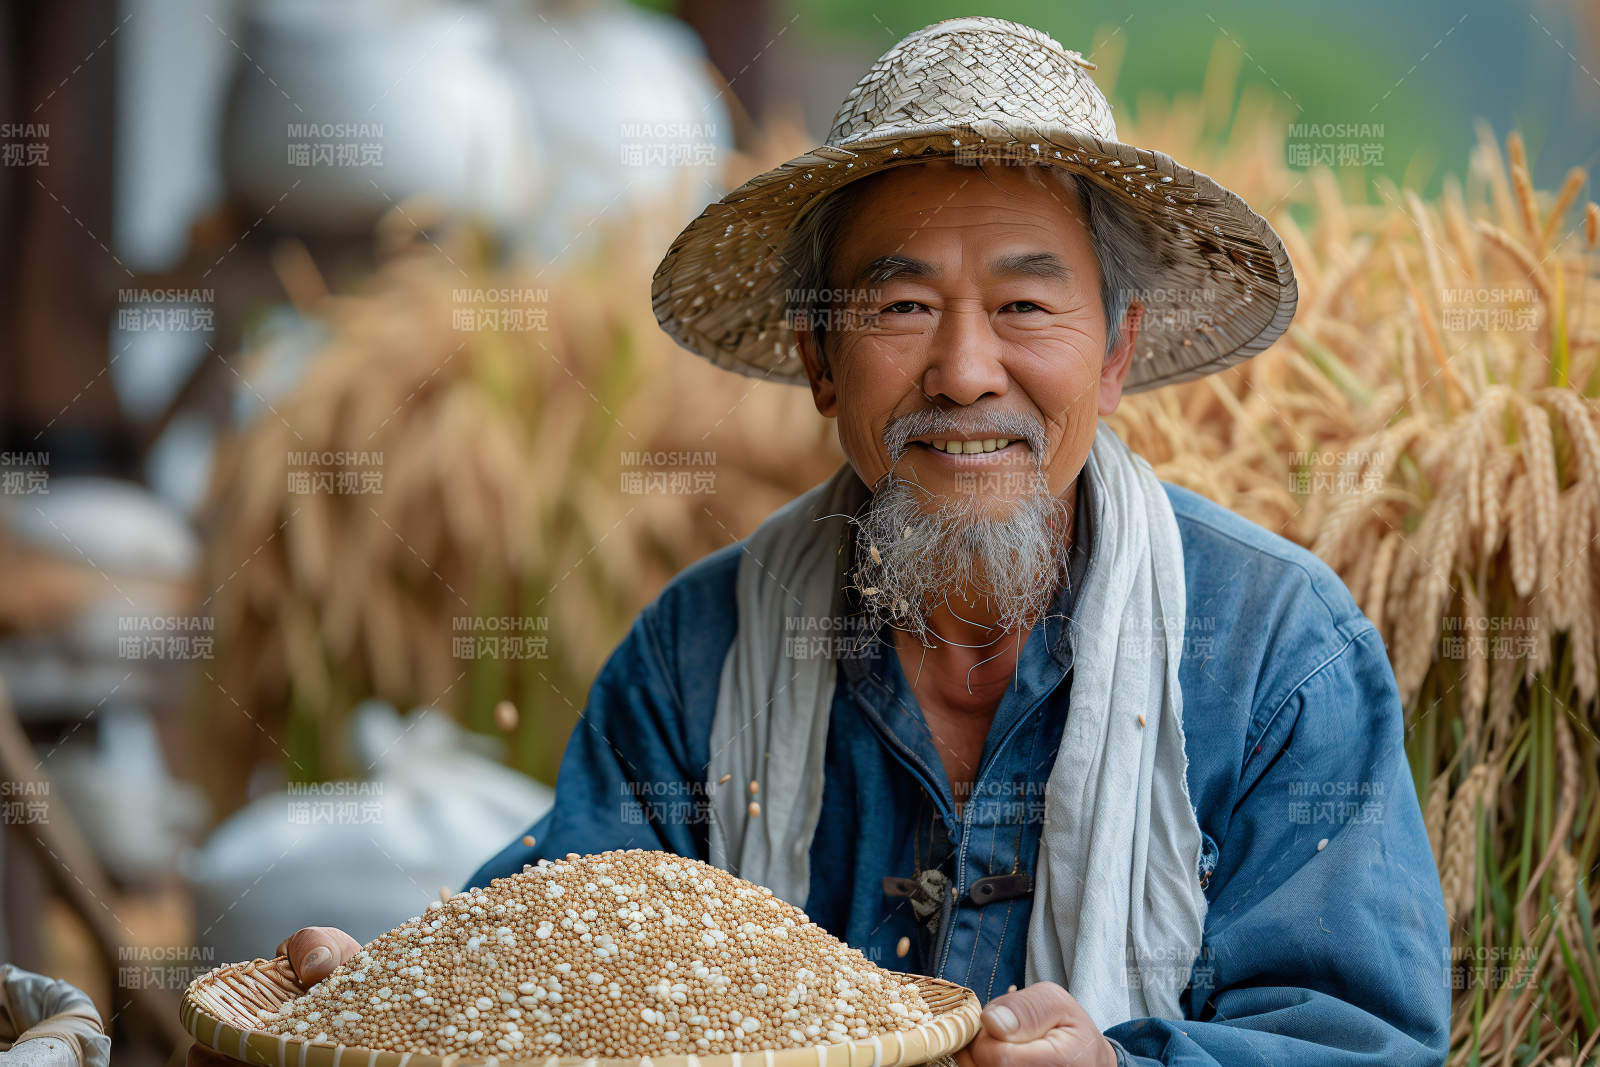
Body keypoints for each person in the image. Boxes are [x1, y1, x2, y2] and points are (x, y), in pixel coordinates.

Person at [192, 16, 1450, 1067]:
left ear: (1115, 353)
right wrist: (404, 997)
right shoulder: (698, 657)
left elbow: (1361, 1043)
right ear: (817, 359)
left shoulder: (1275, 655)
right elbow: (553, 953)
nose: (964, 372)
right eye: (901, 306)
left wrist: (1122, 1065)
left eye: (1024, 304)